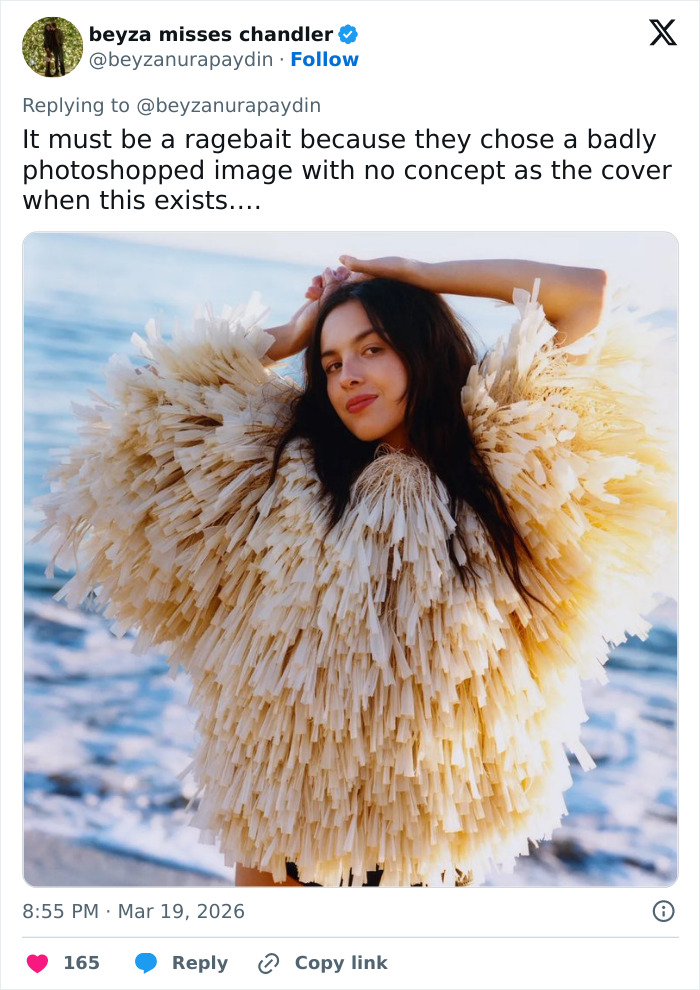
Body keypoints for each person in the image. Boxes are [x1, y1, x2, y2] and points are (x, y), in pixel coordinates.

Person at [39, 256, 675, 887]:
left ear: (422, 347)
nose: (349, 376)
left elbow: (584, 293)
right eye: (332, 363)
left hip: (430, 831)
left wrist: (417, 275)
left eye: (373, 349)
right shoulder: (287, 464)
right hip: (281, 813)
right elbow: (150, 395)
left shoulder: (500, 453)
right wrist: (295, 332)